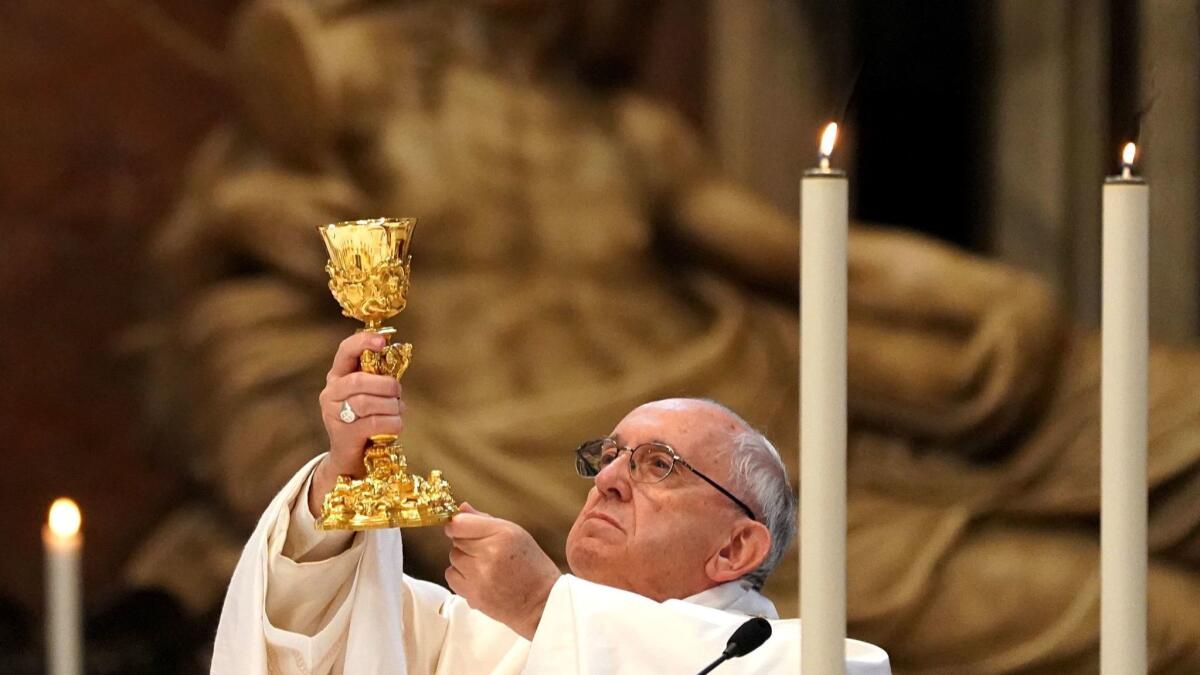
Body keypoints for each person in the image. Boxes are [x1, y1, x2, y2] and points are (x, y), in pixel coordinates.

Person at [212, 333, 891, 674]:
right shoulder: (480, 643)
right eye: (609, 455)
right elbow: (309, 629)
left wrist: (543, 603)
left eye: (659, 465)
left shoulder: (815, 662)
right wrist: (345, 475)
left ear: (737, 547)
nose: (610, 479)